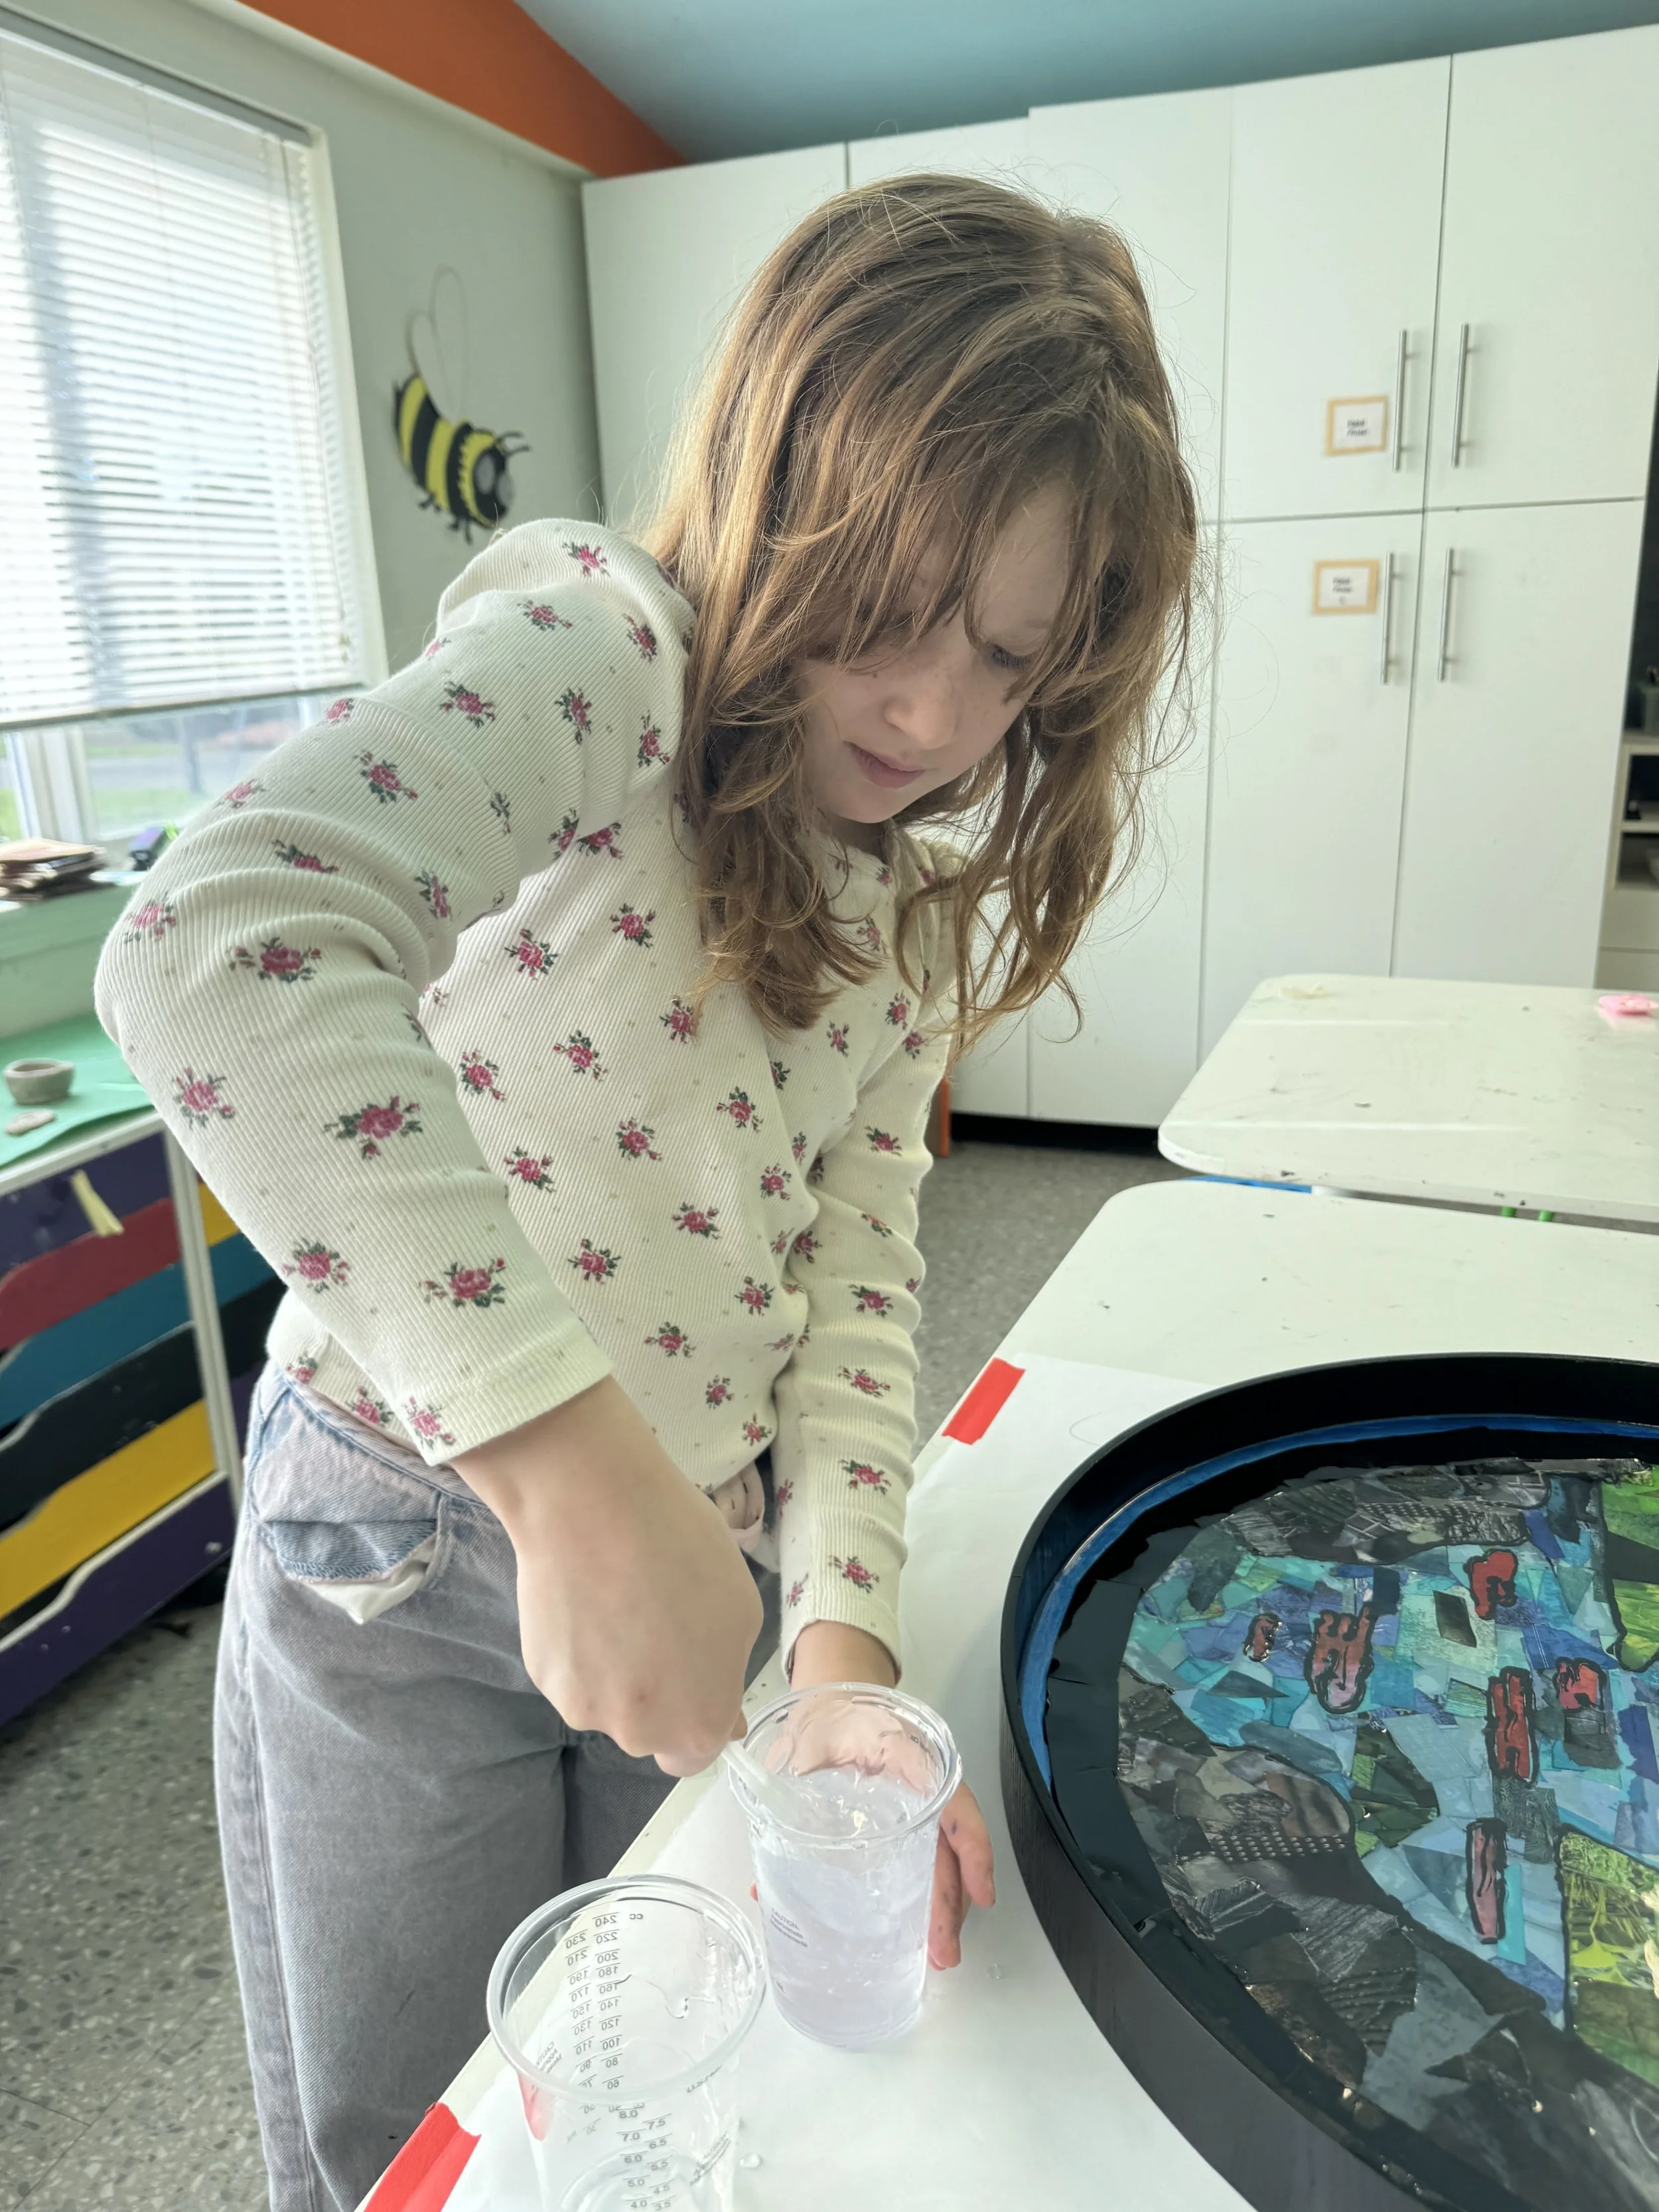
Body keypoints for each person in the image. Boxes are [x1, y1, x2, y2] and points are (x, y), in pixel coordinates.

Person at [95, 171, 1196, 2211]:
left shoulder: (897, 909)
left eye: (1008, 660)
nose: (932, 716)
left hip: (707, 1554)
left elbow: (856, 1284)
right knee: (406, 2130)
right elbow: (207, 949)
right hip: (410, 1543)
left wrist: (844, 1645)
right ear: (783, 495)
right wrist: (569, 1473)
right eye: (890, 610)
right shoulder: (608, 655)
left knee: (647, 2072)